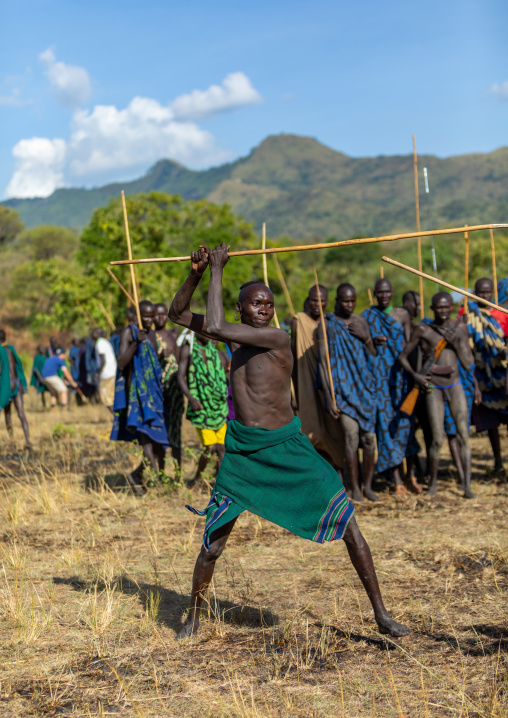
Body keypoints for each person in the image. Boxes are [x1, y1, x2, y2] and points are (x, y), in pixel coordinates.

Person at [169, 243, 410, 640]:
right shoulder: (234, 339)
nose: (264, 308)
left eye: (268, 303)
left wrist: (217, 270)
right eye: (255, 303)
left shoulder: (277, 338)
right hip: (244, 451)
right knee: (212, 544)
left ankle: (381, 615)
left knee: (348, 522)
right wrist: (196, 273)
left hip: (288, 447)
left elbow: (213, 326)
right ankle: (193, 616)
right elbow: (180, 314)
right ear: (240, 309)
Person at [399, 293, 478, 498]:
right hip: (433, 388)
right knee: (436, 439)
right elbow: (403, 356)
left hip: (455, 385)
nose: (443, 311)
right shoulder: (424, 330)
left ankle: (466, 486)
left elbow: (469, 364)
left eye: (447, 307)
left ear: (452, 307)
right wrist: (416, 376)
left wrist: (458, 343)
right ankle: (432, 484)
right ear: (432, 309)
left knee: (463, 436)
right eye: (439, 308)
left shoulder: (459, 328)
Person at [319, 283, 377, 501]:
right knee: (351, 437)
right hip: (342, 392)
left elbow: (372, 355)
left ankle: (369, 486)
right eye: (345, 301)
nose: (350, 305)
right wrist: (329, 395)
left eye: (353, 301)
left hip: (364, 390)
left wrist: (367, 338)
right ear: (337, 300)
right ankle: (355, 488)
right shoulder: (328, 325)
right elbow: (323, 364)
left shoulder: (361, 321)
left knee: (370, 439)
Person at [363, 278, 419, 495]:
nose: (383, 296)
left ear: (392, 293)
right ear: (374, 294)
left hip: (401, 377)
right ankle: (396, 480)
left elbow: (409, 344)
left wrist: (414, 374)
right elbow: (363, 344)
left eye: (387, 292)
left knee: (406, 427)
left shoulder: (403, 315)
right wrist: (371, 341)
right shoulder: (368, 316)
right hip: (380, 381)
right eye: (380, 292)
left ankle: (411, 475)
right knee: (386, 430)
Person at [111, 301, 168, 492]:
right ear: (137, 315)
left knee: (159, 441)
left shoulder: (152, 334)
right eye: (146, 316)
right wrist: (136, 342)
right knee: (147, 440)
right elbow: (120, 363)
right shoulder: (129, 332)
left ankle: (137, 474)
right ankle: (157, 481)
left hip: (155, 394)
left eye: (152, 316)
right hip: (138, 395)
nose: (150, 320)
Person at [290, 285, 344, 472]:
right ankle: (312, 473)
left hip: (329, 384)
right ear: (308, 300)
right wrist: (293, 390)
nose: (317, 304)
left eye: (321, 301)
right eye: (314, 300)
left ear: (327, 302)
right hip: (305, 381)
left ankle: (336, 471)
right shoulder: (298, 321)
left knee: (334, 430)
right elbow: (293, 357)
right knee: (311, 430)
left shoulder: (331, 323)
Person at [464, 278, 508, 473]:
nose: (484, 296)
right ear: (475, 292)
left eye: (488, 292)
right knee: (492, 424)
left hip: (502, 372)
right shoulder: (468, 313)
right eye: (481, 292)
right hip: (482, 375)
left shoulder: (502, 315)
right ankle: (498, 461)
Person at [177, 330, 229, 487]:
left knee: (222, 448)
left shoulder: (215, 352)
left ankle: (222, 483)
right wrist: (191, 398)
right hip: (201, 407)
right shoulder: (189, 350)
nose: (208, 333)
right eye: (204, 330)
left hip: (218, 407)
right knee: (210, 447)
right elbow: (180, 377)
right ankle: (197, 479)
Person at [154, 302, 184, 468]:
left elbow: (180, 363)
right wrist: (159, 355)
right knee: (161, 433)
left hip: (175, 391)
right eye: (157, 315)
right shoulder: (151, 337)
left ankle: (178, 475)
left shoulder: (173, 337)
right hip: (159, 392)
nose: (160, 317)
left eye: (163, 314)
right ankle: (161, 473)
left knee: (176, 433)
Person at [0, 330, 31, 449]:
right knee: (21, 413)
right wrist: (23, 382)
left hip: (6, 385)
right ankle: (28, 440)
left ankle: (11, 440)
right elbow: (19, 365)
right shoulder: (10, 349)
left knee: (7, 414)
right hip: (16, 383)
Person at [92, 328, 117, 414]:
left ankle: (116, 418)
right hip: (111, 372)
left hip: (107, 374)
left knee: (106, 399)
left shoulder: (100, 343)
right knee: (111, 397)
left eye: (95, 331)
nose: (93, 333)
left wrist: (97, 374)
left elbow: (103, 361)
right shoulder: (104, 341)